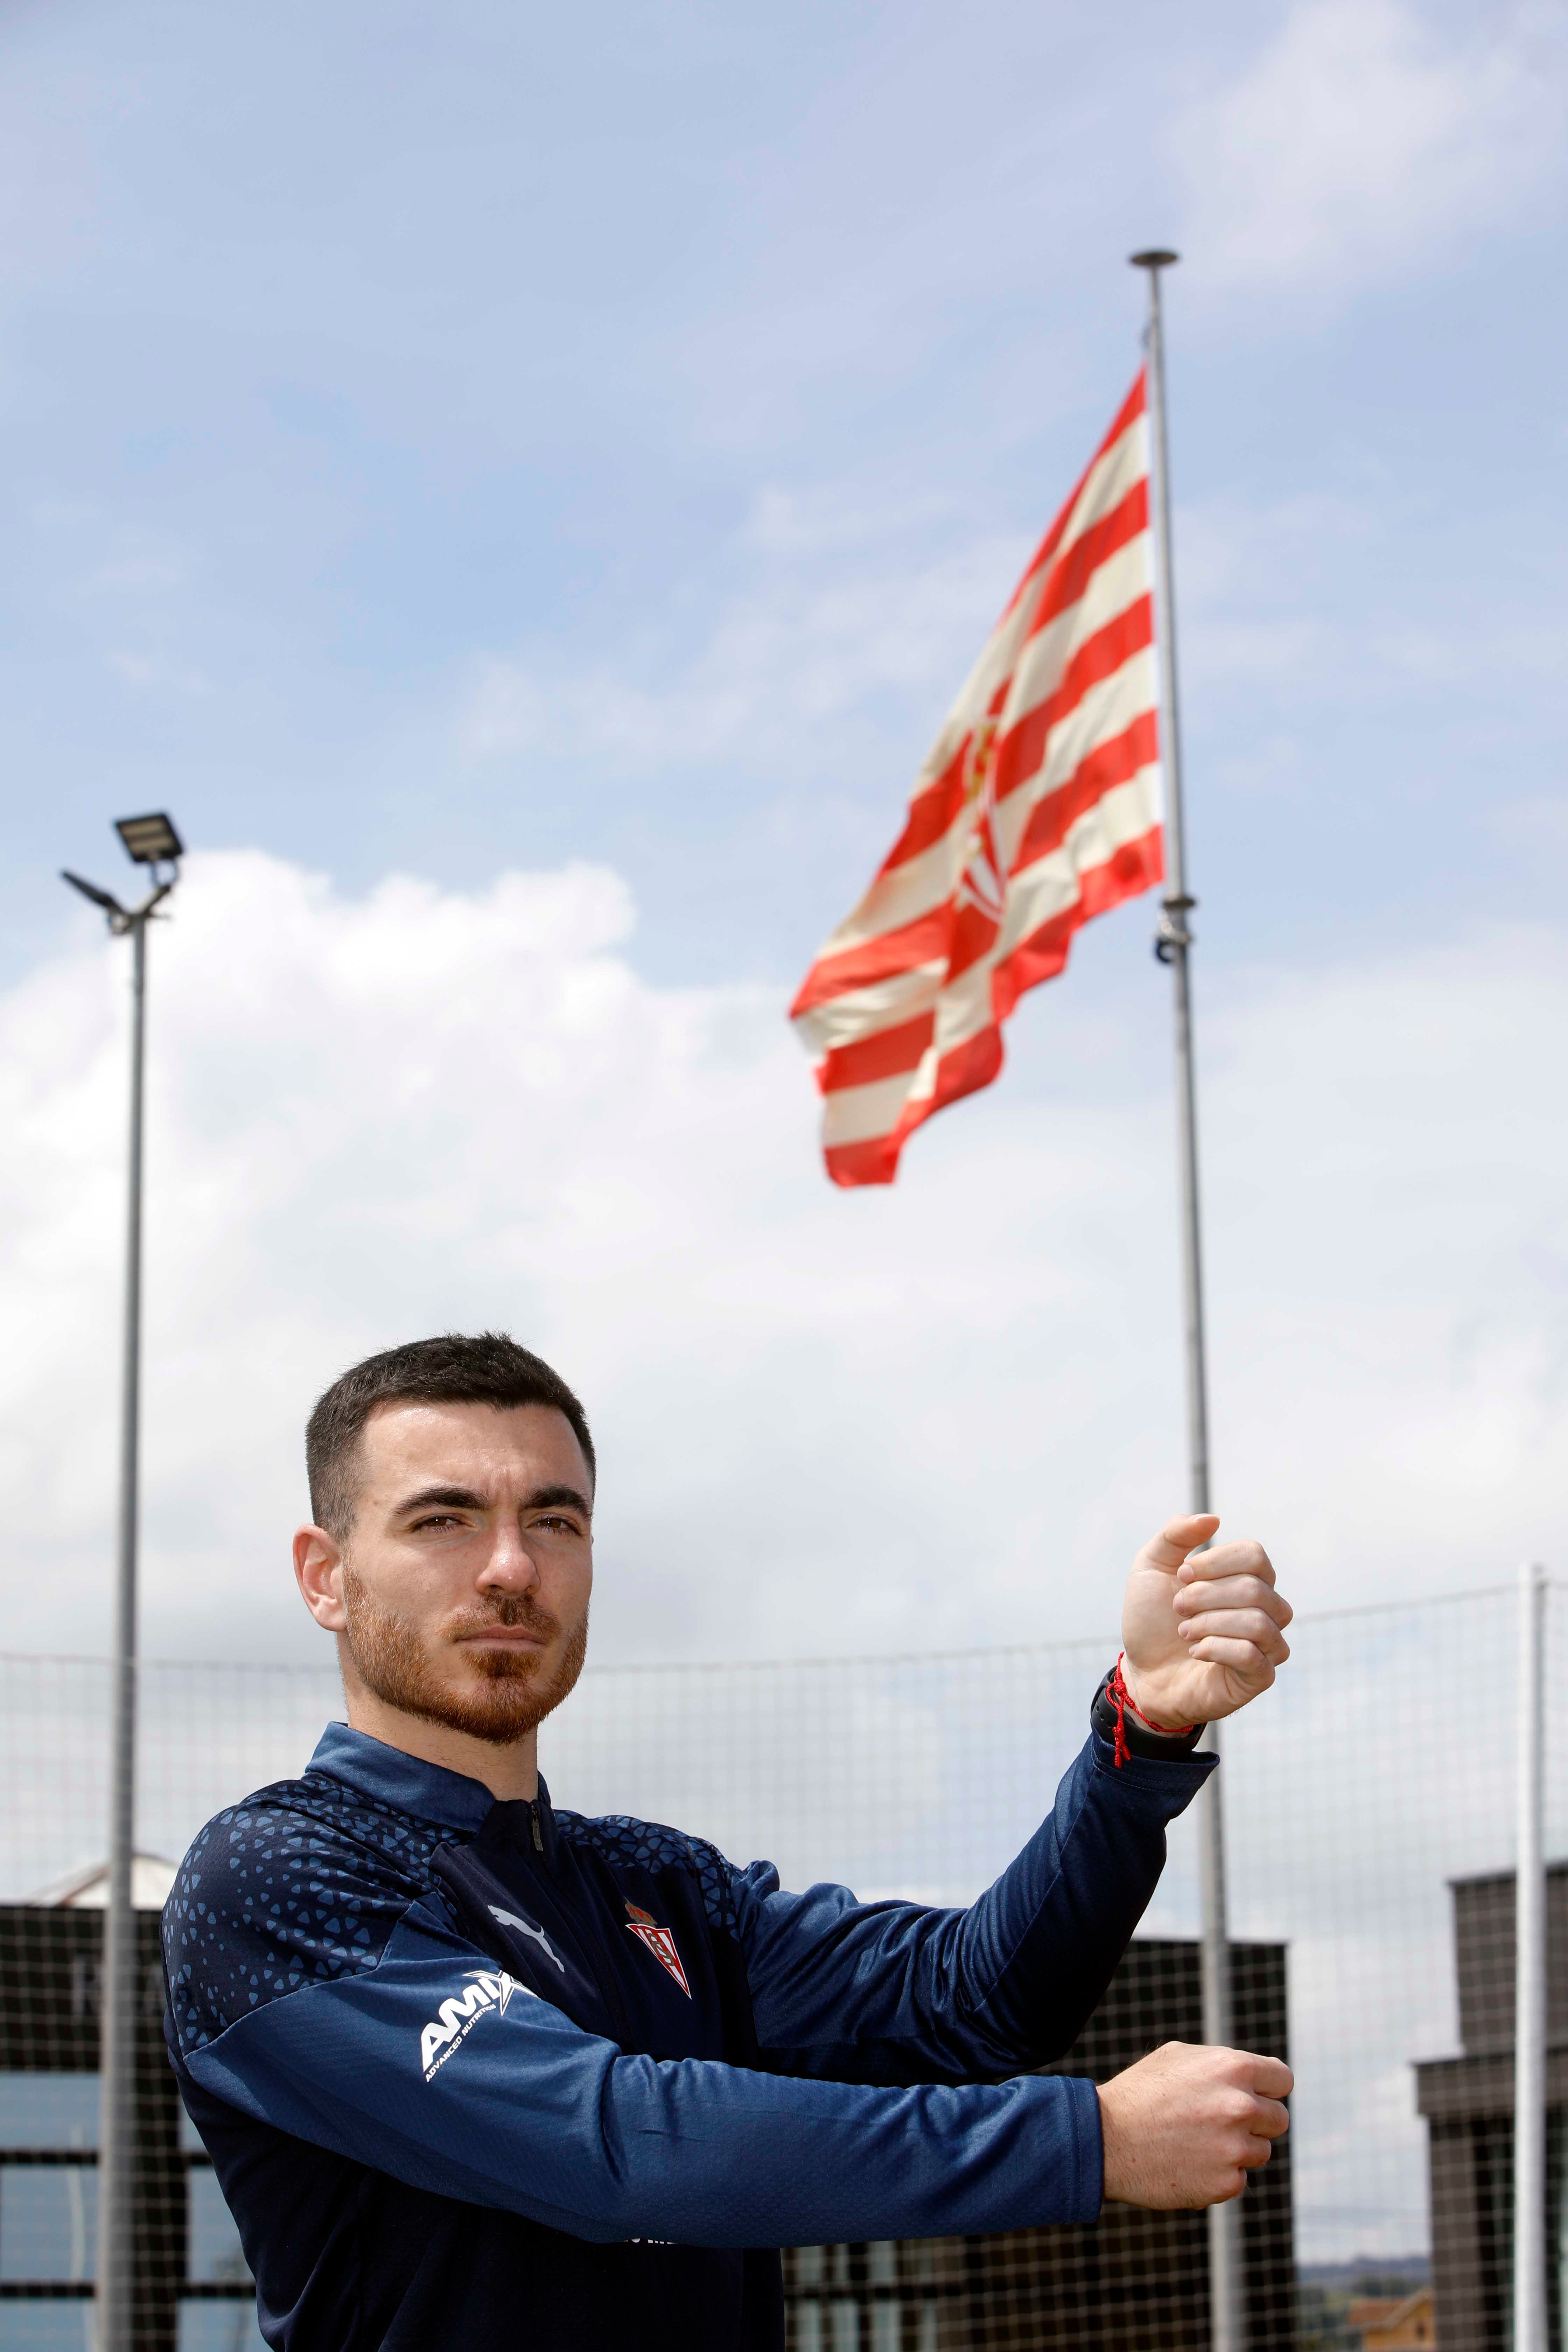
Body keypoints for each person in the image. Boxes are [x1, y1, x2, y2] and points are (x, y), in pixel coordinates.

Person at [163, 1331, 1295, 2352]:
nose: (511, 1567)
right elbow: (617, 2146)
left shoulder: (659, 1886)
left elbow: (973, 2001)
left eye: (554, 1520)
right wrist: (1084, 2139)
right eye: (444, 1519)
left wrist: (1142, 1735)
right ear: (326, 1576)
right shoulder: (274, 1875)